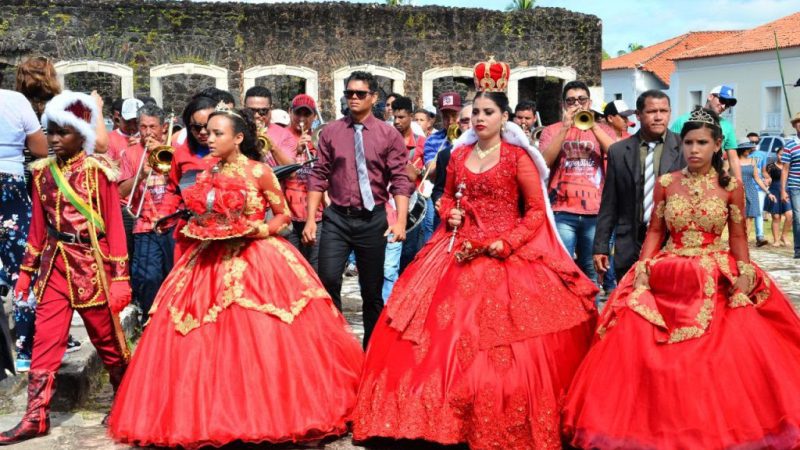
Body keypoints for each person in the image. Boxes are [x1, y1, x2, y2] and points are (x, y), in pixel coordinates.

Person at [352, 59, 598, 449]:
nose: (479, 119)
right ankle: (429, 418)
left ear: (504, 117)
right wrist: (449, 212)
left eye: (488, 112)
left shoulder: (518, 159)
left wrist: (509, 243)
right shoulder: (459, 157)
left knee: (502, 340)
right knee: (426, 332)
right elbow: (446, 195)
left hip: (504, 254)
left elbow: (535, 211)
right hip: (455, 250)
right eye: (475, 113)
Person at [108, 106, 363, 448]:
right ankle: (209, 413)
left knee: (262, 337)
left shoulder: (260, 172)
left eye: (217, 134)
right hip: (209, 260)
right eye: (207, 133)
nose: (208, 139)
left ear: (238, 138)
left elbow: (283, 215)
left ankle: (268, 412)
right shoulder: (206, 173)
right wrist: (199, 226)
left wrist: (258, 229)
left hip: (257, 261)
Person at [563, 107, 800, 449]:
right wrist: (643, 270)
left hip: (714, 271)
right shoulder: (666, 183)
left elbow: (736, 237)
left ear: (718, 145)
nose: (693, 149)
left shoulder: (730, 186)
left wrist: (745, 272)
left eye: (702, 142)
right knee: (637, 343)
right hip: (668, 271)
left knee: (723, 355)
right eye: (688, 142)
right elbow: (656, 231)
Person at [1, 91, 132, 444]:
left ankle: (126, 400)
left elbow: (116, 228)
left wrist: (120, 279)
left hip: (93, 267)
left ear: (82, 134)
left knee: (106, 341)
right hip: (55, 268)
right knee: (45, 341)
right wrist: (26, 272)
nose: (54, 139)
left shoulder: (98, 172)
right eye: (51, 132)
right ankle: (35, 417)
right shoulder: (43, 172)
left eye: (63, 132)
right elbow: (38, 228)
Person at [303, 70, 412, 347]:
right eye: (349, 93)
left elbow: (399, 180)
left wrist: (400, 221)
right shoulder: (331, 132)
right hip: (337, 217)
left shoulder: (388, 135)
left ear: (373, 97)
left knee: (372, 290)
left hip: (372, 218)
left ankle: (371, 350)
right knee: (327, 279)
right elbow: (319, 174)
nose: (353, 98)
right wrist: (310, 220)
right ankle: (336, 343)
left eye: (360, 94)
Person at [594, 90, 685, 286]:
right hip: (630, 244)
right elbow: (609, 203)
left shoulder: (684, 148)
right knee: (630, 306)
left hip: (672, 245)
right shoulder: (619, 152)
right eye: (652, 111)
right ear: (638, 114)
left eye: (664, 111)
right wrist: (600, 246)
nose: (659, 117)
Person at [539, 80, 615, 285]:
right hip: (562, 210)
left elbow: (617, 154)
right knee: (561, 270)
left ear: (589, 102)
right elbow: (544, 162)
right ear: (564, 105)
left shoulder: (604, 130)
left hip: (595, 211)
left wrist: (594, 127)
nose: (577, 105)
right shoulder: (552, 130)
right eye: (571, 101)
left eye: (581, 100)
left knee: (591, 273)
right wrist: (565, 128)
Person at [0, 74, 49, 377]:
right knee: (24, 269)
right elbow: (42, 149)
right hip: (11, 185)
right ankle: (25, 349)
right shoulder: (15, 100)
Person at [117, 103, 176, 324]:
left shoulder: (174, 151)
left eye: (153, 126)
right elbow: (121, 191)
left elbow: (183, 185)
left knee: (174, 274)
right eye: (143, 127)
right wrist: (140, 176)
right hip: (144, 224)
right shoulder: (130, 154)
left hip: (172, 222)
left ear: (164, 128)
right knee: (147, 277)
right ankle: (150, 322)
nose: (148, 132)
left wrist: (162, 160)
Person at [163, 94, 220, 262]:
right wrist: (165, 215)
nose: (202, 132)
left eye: (207, 127)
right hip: (189, 230)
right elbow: (172, 190)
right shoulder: (180, 154)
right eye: (196, 127)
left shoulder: (229, 152)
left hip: (223, 230)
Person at [283, 93, 324, 271]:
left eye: (306, 114)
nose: (301, 118)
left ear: (314, 116)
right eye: (298, 113)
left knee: (315, 266)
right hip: (288, 214)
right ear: (290, 112)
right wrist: (296, 150)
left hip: (316, 214)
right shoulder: (281, 137)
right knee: (291, 267)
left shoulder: (320, 138)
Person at [670, 84, 740, 179]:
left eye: (727, 105)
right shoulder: (683, 120)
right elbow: (670, 150)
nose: (724, 106)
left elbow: (733, 158)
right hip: (683, 177)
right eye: (722, 100)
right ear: (710, 96)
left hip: (712, 179)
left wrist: (740, 185)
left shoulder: (727, 127)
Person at [426, 91, 463, 235]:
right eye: (446, 116)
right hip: (444, 198)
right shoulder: (433, 140)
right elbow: (431, 171)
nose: (451, 120)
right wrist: (448, 146)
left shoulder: (470, 138)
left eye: (454, 115)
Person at [243, 86, 294, 166]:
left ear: (271, 109)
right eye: (251, 111)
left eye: (263, 111)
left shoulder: (284, 134)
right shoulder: (236, 130)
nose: (256, 115)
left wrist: (271, 145)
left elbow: (291, 172)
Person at [737, 139, 770, 247]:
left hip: (751, 190)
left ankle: (744, 240)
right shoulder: (733, 161)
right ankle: (737, 238)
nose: (750, 151)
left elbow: (757, 178)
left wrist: (768, 192)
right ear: (743, 150)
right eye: (748, 149)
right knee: (738, 217)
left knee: (749, 217)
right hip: (737, 190)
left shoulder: (753, 161)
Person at [764, 146, 792, 246]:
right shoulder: (771, 166)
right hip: (774, 192)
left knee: (790, 215)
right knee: (776, 217)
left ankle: (784, 236)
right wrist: (766, 181)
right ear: (777, 154)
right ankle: (776, 240)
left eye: (784, 155)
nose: (782, 157)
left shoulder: (790, 166)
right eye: (780, 154)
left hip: (787, 192)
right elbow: (766, 177)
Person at [781, 112, 800, 258]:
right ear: (794, 126)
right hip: (795, 186)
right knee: (798, 217)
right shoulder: (790, 146)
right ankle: (798, 249)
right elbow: (785, 169)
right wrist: (783, 190)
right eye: (798, 122)